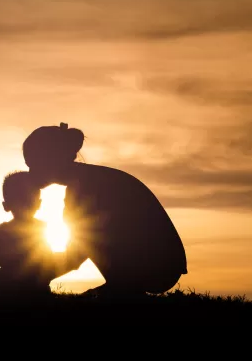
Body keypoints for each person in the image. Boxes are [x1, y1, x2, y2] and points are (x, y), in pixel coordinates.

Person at [22, 122, 188, 297]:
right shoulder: (90, 180)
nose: (30, 172)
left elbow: (79, 251)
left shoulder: (86, 188)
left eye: (34, 165)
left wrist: (36, 276)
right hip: (163, 263)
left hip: (158, 268)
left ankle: (123, 288)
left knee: (88, 234)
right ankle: (120, 286)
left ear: (51, 160)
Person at [0, 171, 80, 298]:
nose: (25, 206)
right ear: (38, 204)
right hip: (29, 287)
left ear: (6, 206)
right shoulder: (40, 229)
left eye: (28, 201)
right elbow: (47, 258)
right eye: (22, 201)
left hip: (8, 286)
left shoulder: (1, 231)